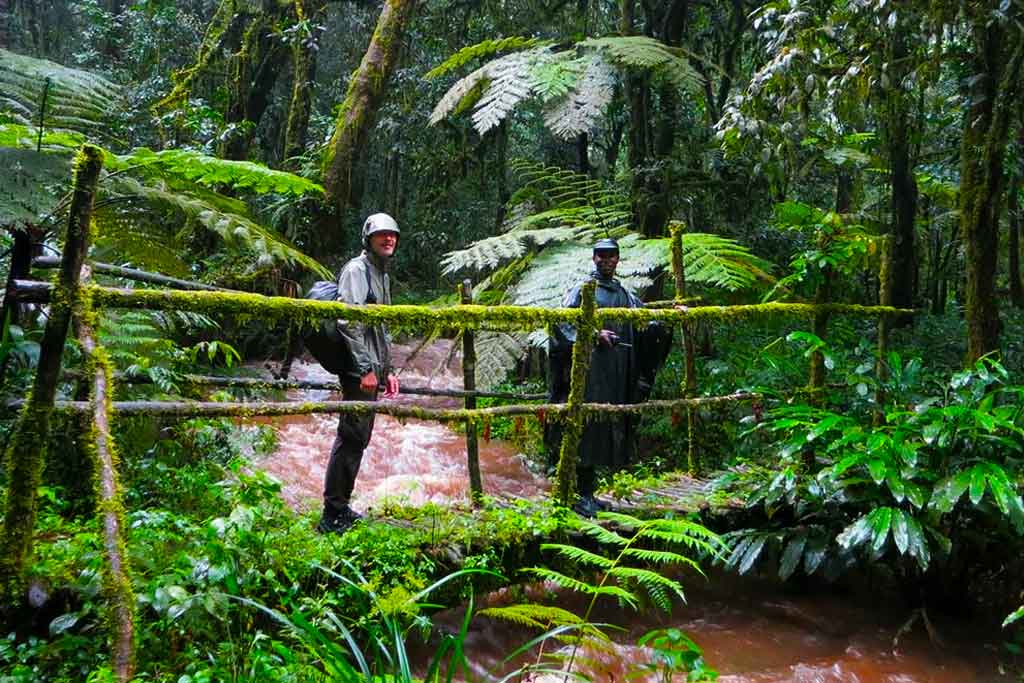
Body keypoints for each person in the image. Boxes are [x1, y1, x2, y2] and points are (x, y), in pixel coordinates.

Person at [547, 238, 671, 517]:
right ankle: (579, 495)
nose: (606, 260)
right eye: (601, 255)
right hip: (589, 375)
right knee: (586, 427)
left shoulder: (623, 294)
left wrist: (669, 316)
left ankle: (588, 493)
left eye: (611, 255)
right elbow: (561, 322)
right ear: (594, 258)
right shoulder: (581, 290)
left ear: (617, 259)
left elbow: (645, 319)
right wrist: (593, 335)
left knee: (603, 429)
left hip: (614, 374)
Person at [317, 213, 401, 533]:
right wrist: (366, 369)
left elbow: (383, 327)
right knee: (350, 436)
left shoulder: (382, 275)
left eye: (392, 235)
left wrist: (388, 370)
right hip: (358, 369)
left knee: (359, 438)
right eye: (381, 235)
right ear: (368, 238)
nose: (388, 239)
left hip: (372, 370)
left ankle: (341, 507)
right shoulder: (357, 270)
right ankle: (331, 514)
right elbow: (348, 321)